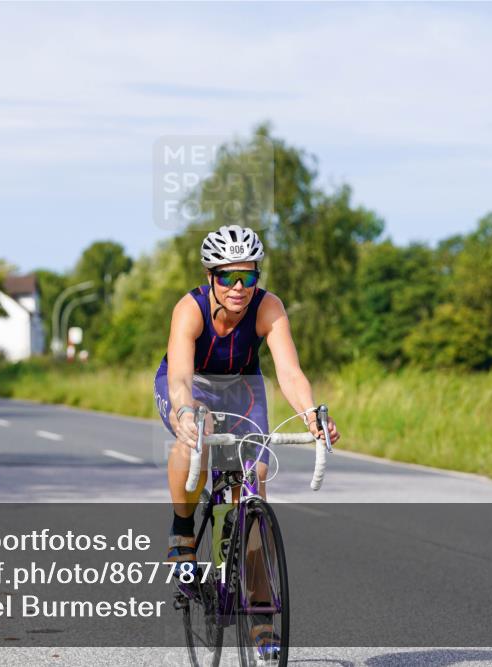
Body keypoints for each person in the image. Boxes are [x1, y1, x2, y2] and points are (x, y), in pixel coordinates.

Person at [155, 224, 340, 661]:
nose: (239, 287)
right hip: (189, 386)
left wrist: (312, 414)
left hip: (242, 386)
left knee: (252, 485)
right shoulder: (190, 309)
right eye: (227, 277)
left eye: (248, 276)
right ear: (210, 278)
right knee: (193, 437)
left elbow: (289, 373)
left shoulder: (268, 308)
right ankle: (182, 530)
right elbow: (180, 375)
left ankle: (260, 619)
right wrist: (185, 410)